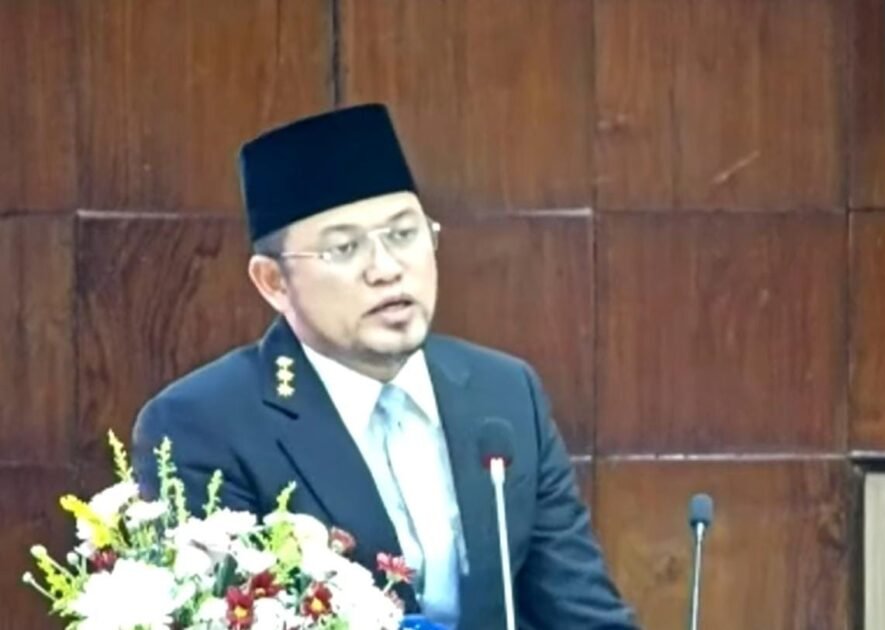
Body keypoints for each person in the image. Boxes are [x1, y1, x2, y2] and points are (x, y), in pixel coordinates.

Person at [131, 103, 637, 630]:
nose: (387, 269)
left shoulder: (505, 393)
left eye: (403, 234)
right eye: (344, 248)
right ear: (274, 282)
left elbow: (583, 612)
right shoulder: (204, 426)